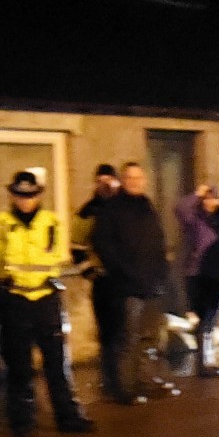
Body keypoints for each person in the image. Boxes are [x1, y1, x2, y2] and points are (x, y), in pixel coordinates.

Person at [0, 171, 94, 437]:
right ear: (12, 195)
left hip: (45, 297)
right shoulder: (0, 223)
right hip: (15, 298)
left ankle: (67, 417)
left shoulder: (51, 221)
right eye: (21, 195)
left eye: (31, 195)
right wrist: (7, 280)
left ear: (39, 194)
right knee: (19, 363)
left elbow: (57, 255)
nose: (25, 200)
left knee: (57, 362)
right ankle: (22, 420)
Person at [90, 162, 179, 404]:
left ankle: (145, 381)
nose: (135, 182)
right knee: (127, 339)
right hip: (126, 287)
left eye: (139, 177)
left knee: (149, 339)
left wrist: (162, 273)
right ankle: (125, 387)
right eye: (130, 177)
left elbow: (158, 243)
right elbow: (103, 245)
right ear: (123, 180)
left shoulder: (147, 207)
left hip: (152, 285)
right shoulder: (112, 210)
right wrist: (125, 272)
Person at [71, 164, 122, 396]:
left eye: (110, 180)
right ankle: (111, 381)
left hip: (128, 279)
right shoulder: (87, 212)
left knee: (129, 332)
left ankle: (127, 378)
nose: (106, 185)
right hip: (104, 282)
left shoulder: (126, 206)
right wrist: (91, 273)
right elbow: (76, 248)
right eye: (101, 180)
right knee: (108, 333)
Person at [175, 183, 219, 377]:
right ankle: (203, 362)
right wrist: (196, 193)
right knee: (205, 317)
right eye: (207, 198)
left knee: (212, 318)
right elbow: (180, 208)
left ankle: (207, 360)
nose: (211, 201)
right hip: (199, 274)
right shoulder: (195, 220)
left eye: (214, 198)